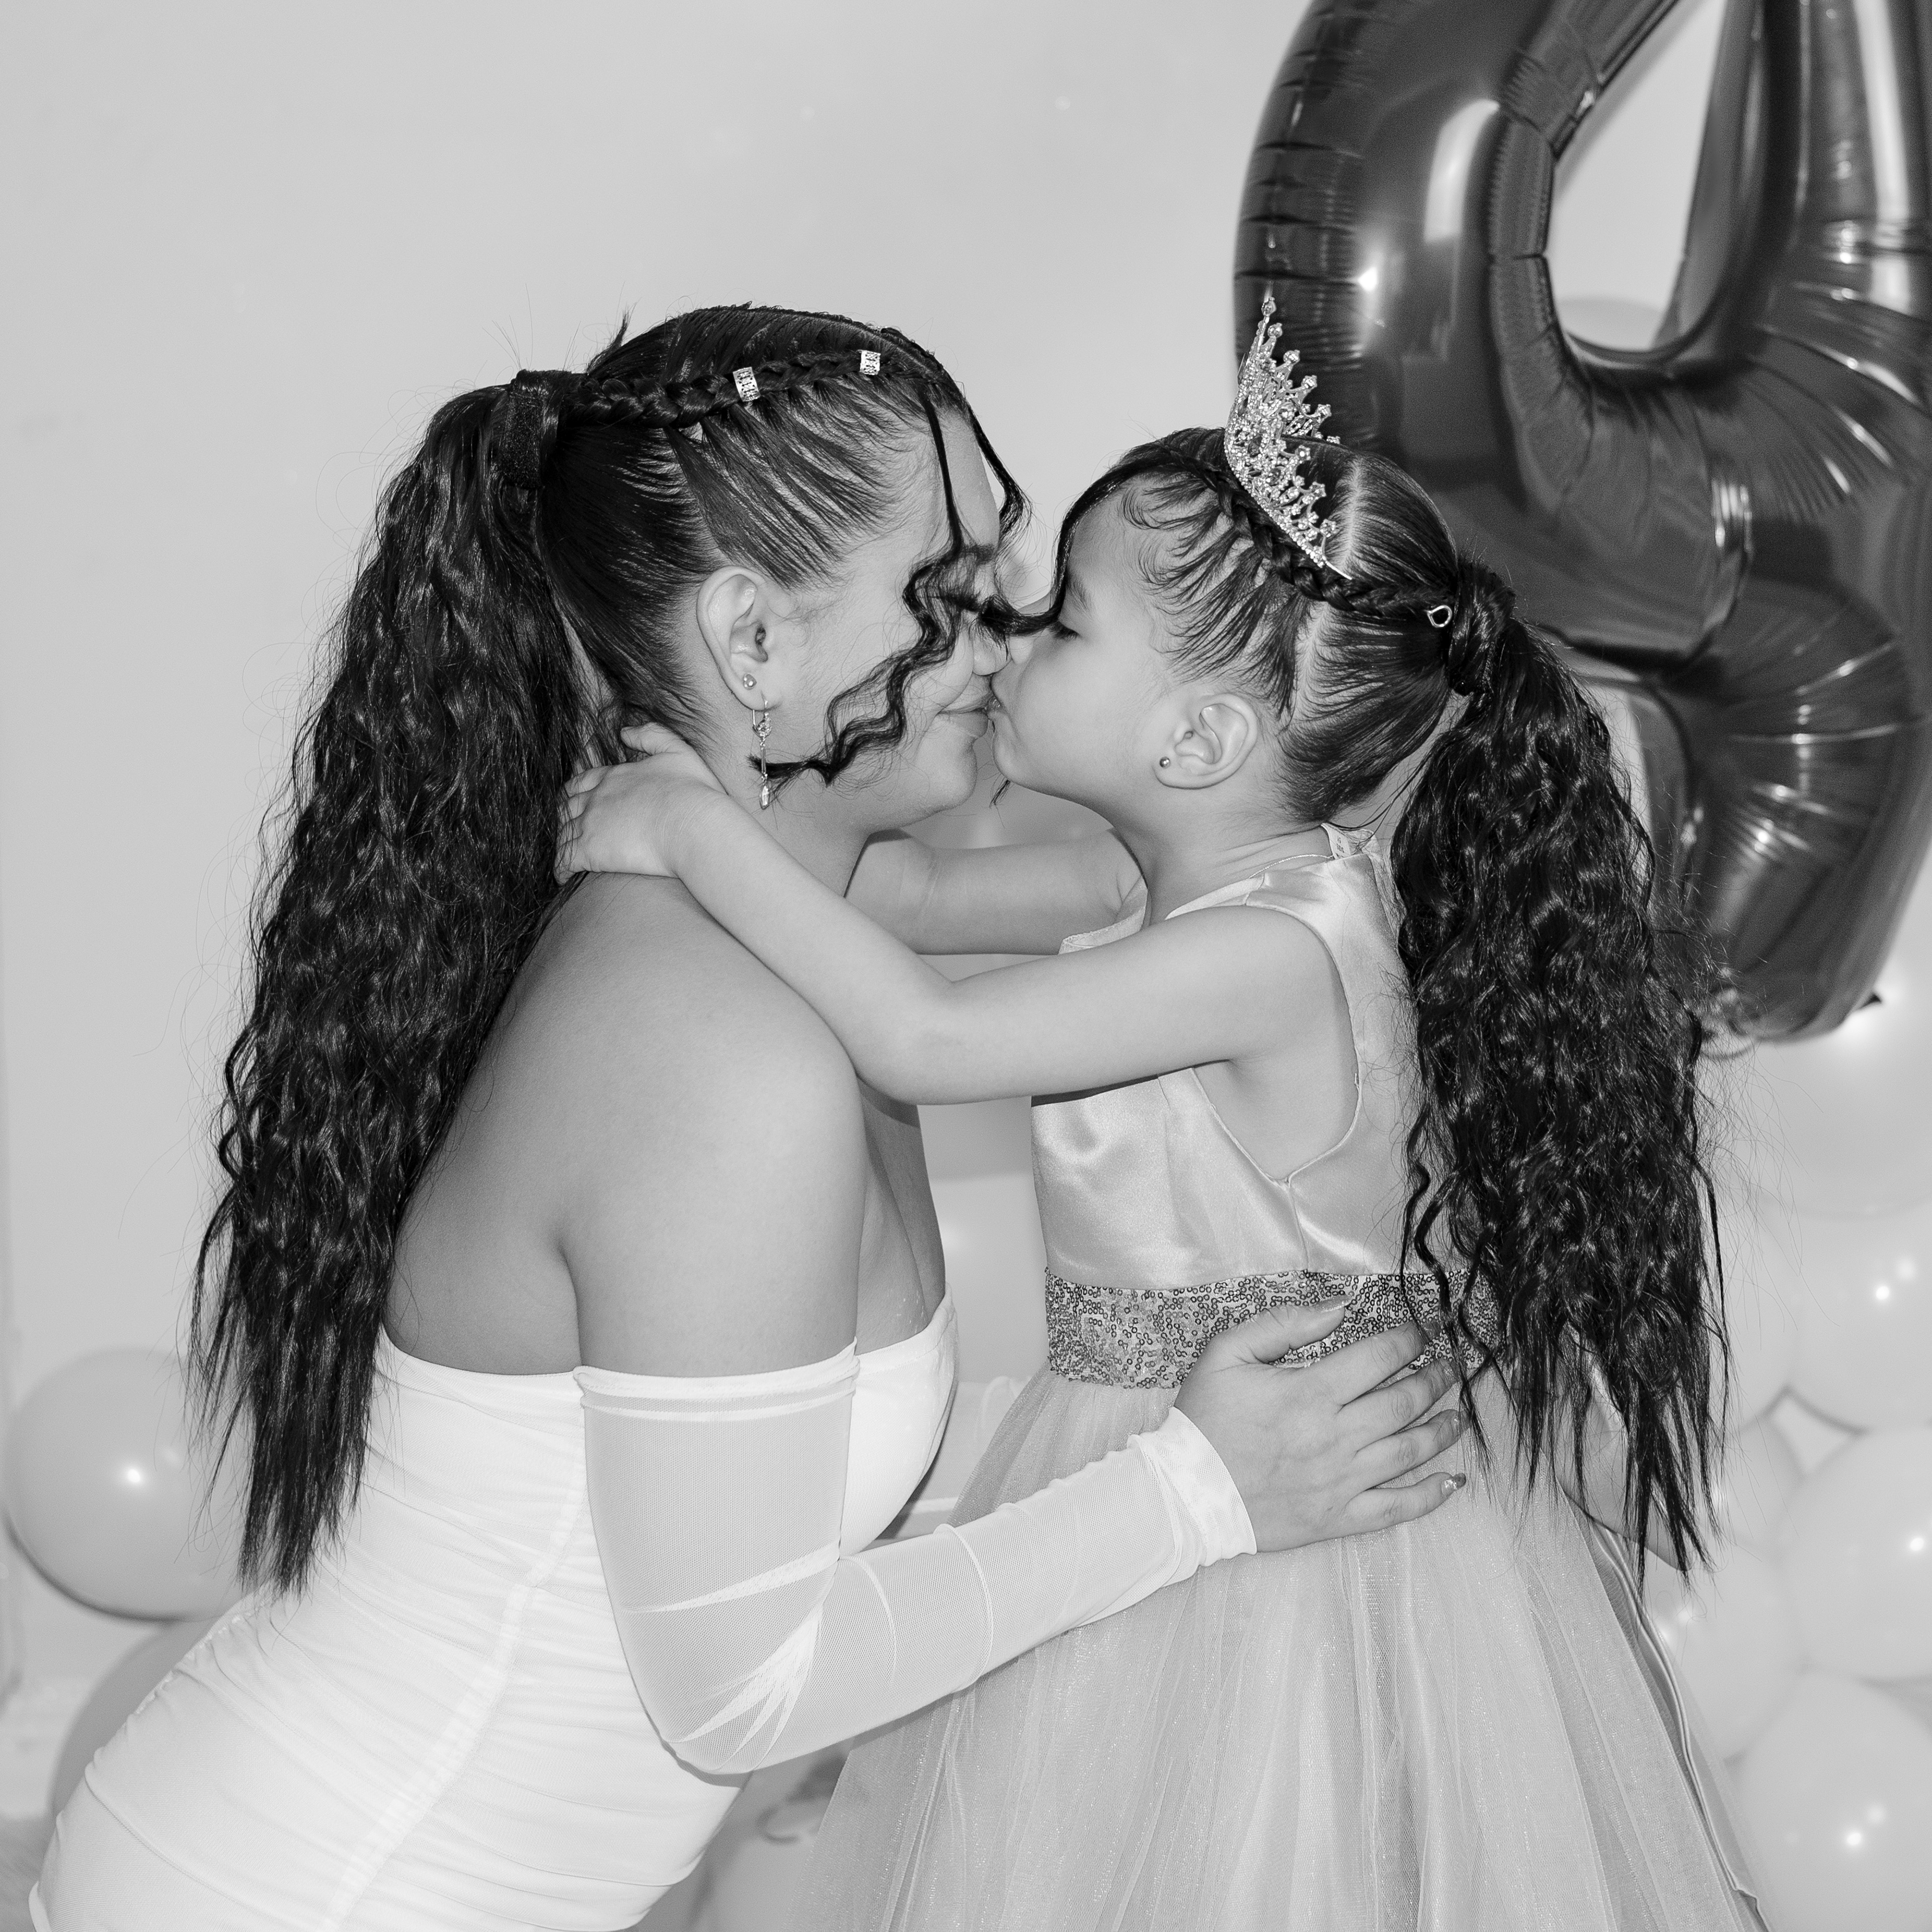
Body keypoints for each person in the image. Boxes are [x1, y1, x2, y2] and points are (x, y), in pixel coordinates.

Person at [32, 305, 1470, 1932]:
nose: (1001, 646)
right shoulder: (730, 1051)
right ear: (755, 645)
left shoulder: (803, 957)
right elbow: (740, 1694)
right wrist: (1201, 1490)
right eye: (951, 595)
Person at [557, 302, 1769, 1929]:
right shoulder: (1155, 885)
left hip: (1280, 1535)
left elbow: (925, 1036)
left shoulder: (1274, 953)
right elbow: (897, 899)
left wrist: (685, 834)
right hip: (1144, 1448)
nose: (1003, 644)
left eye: (1062, 624)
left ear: (1196, 737)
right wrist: (723, 786)